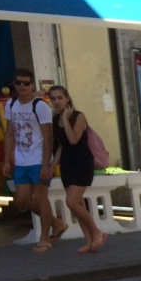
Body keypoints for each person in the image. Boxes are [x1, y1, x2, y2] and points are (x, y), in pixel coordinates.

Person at [2, 68, 61, 253]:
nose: (22, 86)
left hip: (37, 157)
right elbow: (9, 133)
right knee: (22, 201)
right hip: (21, 159)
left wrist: (46, 164)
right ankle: (56, 223)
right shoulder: (11, 104)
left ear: (32, 84)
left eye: (26, 83)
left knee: (41, 197)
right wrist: (6, 160)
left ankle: (45, 238)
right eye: (18, 83)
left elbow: (48, 136)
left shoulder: (40, 106)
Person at [47, 85, 106, 254]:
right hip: (67, 164)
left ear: (67, 99)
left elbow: (73, 140)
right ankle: (89, 242)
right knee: (78, 204)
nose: (56, 102)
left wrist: (66, 119)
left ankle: (96, 232)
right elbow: (61, 147)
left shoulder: (78, 117)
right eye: (53, 99)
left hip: (81, 163)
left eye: (60, 98)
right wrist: (52, 167)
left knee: (71, 202)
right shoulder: (55, 119)